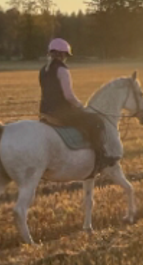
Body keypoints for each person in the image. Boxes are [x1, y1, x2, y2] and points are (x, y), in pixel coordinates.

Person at [38, 38, 114, 168]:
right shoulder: (62, 70)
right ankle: (101, 157)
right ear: (62, 55)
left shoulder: (43, 70)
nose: (66, 58)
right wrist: (80, 106)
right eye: (66, 55)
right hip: (61, 111)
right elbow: (68, 96)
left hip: (44, 111)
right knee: (96, 122)